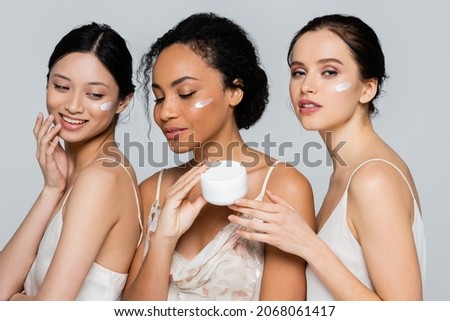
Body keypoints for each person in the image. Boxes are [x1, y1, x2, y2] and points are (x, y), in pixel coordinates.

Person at [228, 14, 426, 300]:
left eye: (329, 72)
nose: (307, 86)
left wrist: (307, 244)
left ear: (367, 88)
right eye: (298, 72)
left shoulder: (374, 179)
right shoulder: (347, 174)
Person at [123, 12, 315, 301]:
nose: (165, 112)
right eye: (159, 97)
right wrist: (162, 241)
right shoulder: (154, 190)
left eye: (185, 93)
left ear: (234, 91)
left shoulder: (282, 188)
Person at [0, 22, 142, 300]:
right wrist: (51, 190)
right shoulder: (76, 177)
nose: (73, 105)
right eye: (62, 86)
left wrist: (13, 299)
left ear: (123, 101)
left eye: (95, 94)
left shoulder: (101, 178)